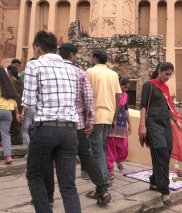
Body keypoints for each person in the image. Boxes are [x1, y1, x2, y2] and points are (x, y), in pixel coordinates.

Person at [22, 31, 81, 213]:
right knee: (68, 184)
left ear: (37, 48)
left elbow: (29, 102)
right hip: (70, 130)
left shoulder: (34, 65)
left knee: (34, 175)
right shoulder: (72, 69)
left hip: (45, 127)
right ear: (55, 48)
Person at [58, 42, 112, 207]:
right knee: (86, 155)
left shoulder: (49, 70)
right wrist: (90, 120)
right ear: (73, 55)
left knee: (49, 158)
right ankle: (102, 189)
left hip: (54, 123)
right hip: (78, 123)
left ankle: (47, 196)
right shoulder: (80, 72)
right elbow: (88, 99)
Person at [138, 62, 182, 206]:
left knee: (166, 152)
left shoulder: (166, 88)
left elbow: (168, 107)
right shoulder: (149, 85)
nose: (168, 77)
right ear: (159, 71)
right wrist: (142, 126)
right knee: (160, 152)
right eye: (166, 74)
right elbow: (143, 106)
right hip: (152, 124)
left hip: (165, 124)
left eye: (170, 75)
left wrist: (176, 120)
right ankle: (165, 191)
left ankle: (154, 181)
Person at [86, 49, 122, 184]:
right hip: (108, 116)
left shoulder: (90, 71)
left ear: (95, 59)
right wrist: (114, 117)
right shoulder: (113, 74)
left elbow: (86, 94)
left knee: (96, 149)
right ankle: (104, 173)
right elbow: (119, 96)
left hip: (95, 116)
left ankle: (103, 178)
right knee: (101, 146)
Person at [106, 77, 131, 176]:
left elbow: (126, 110)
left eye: (128, 88)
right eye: (125, 87)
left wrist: (130, 124)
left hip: (122, 124)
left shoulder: (125, 95)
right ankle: (110, 168)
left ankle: (118, 160)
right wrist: (113, 120)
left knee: (123, 146)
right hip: (113, 123)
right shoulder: (113, 94)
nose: (126, 89)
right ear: (119, 85)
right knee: (111, 146)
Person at [7, 65, 23, 145]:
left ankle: (17, 140)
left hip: (14, 103)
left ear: (9, 71)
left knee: (14, 122)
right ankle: (19, 138)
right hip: (21, 103)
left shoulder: (10, 80)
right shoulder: (20, 80)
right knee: (19, 121)